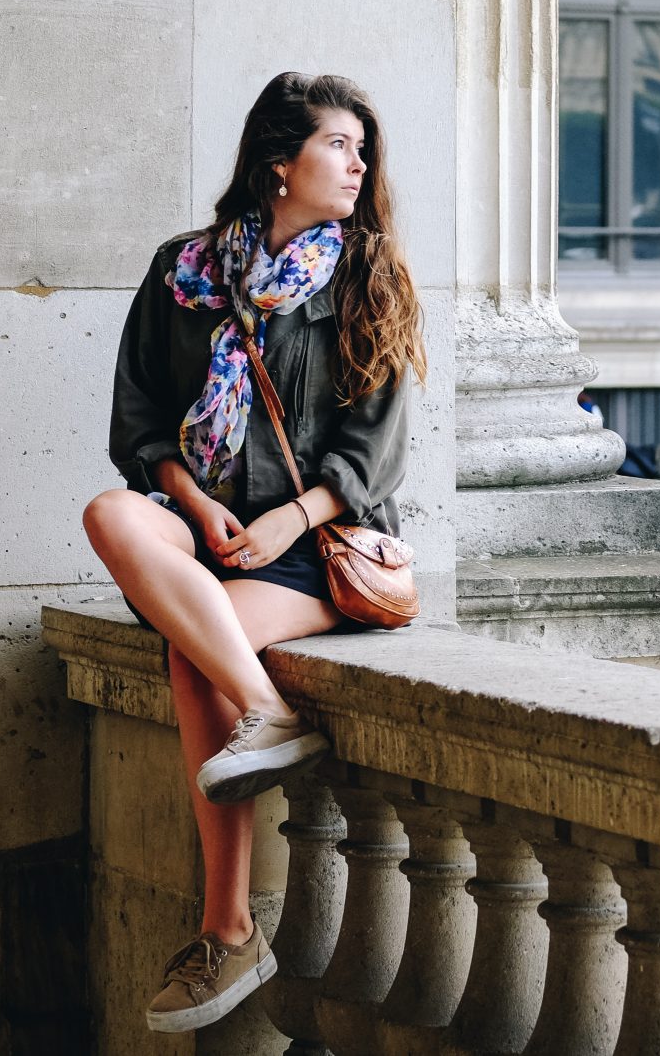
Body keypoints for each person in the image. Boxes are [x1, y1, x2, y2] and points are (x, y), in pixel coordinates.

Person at [81, 71, 425, 1033]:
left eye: (362, 149)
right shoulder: (182, 269)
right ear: (280, 160)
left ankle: (228, 928)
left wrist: (287, 521)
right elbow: (141, 419)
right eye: (338, 145)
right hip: (207, 529)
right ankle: (267, 710)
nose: (358, 165)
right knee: (112, 514)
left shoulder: (367, 276)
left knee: (194, 648)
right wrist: (192, 502)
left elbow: (378, 449)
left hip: (319, 548)